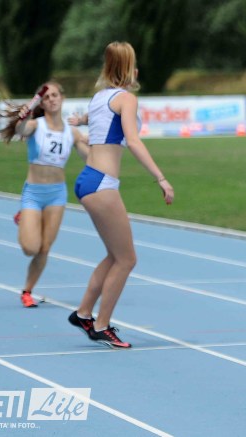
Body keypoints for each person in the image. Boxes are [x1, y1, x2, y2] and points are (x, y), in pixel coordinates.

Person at [67, 41, 174, 349]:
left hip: (88, 179)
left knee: (115, 255)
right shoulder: (126, 99)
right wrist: (161, 178)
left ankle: (83, 314)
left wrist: (80, 121)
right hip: (101, 182)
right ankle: (101, 325)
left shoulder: (99, 97)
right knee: (127, 259)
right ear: (131, 69)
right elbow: (134, 141)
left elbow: (96, 122)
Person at [0, 81, 89, 308]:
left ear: (62, 98)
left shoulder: (72, 132)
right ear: (42, 103)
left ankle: (27, 291)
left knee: (44, 248)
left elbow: (89, 158)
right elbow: (20, 130)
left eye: (55, 95)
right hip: (34, 193)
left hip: (57, 195)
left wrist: (106, 145)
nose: (52, 99)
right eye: (47, 97)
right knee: (30, 248)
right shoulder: (35, 126)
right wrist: (22, 116)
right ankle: (24, 218)